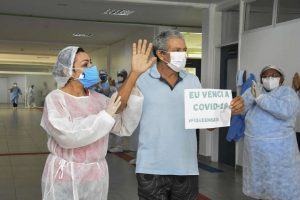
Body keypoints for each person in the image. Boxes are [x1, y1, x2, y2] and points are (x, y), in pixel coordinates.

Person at [134, 30, 244, 200]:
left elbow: (208, 125)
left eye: (185, 50)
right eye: (177, 50)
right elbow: (120, 108)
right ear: (162, 54)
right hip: (151, 167)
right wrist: (133, 73)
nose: (183, 54)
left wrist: (229, 111)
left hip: (186, 168)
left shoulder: (192, 81)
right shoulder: (142, 80)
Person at [40, 43, 154, 200]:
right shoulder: (55, 99)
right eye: (85, 65)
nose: (92, 68)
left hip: (95, 175)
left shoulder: (99, 100)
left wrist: (134, 75)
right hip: (65, 173)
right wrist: (105, 115)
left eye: (91, 62)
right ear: (69, 72)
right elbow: (67, 136)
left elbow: (122, 125)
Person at [242, 65, 300, 200]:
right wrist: (251, 97)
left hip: (279, 153)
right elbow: (241, 108)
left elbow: (285, 111)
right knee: (259, 188)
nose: (269, 78)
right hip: (255, 152)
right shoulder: (254, 90)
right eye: (265, 76)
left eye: (274, 75)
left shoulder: (288, 93)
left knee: (281, 189)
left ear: (281, 79)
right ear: (261, 79)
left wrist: (260, 98)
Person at [109, 69, 130, 153]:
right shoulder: (116, 84)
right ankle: (110, 145)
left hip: (122, 109)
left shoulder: (127, 85)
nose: (119, 77)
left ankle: (119, 146)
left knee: (119, 129)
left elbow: (122, 95)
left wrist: (114, 88)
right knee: (111, 128)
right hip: (114, 109)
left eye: (121, 75)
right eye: (118, 75)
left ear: (125, 76)